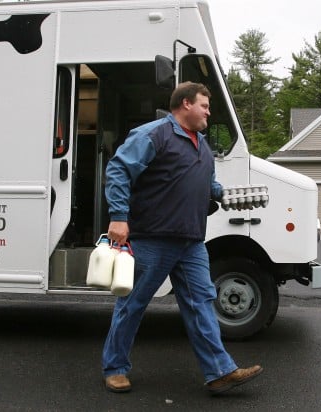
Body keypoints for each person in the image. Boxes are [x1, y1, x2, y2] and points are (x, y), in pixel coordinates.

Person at [102, 81, 263, 394]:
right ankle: (115, 368)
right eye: (204, 105)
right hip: (153, 238)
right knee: (132, 305)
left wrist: (230, 197)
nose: (208, 112)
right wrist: (119, 217)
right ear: (186, 104)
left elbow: (208, 184)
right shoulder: (155, 134)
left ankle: (219, 371)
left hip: (191, 242)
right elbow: (118, 169)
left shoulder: (202, 144)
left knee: (202, 302)